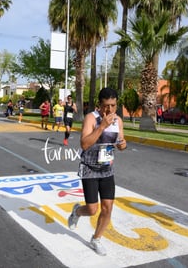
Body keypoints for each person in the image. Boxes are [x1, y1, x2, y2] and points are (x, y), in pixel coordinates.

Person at [68, 87, 127, 256]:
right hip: (90, 169)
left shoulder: (118, 121)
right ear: (99, 105)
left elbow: (122, 143)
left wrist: (123, 144)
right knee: (92, 210)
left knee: (108, 208)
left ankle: (96, 239)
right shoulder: (91, 118)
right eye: (106, 106)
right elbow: (85, 144)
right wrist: (101, 127)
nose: (110, 110)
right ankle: (77, 211)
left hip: (107, 169)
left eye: (113, 106)